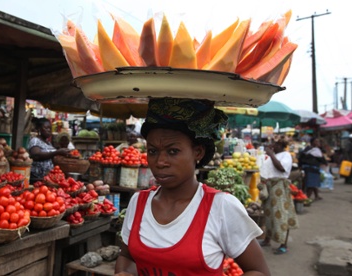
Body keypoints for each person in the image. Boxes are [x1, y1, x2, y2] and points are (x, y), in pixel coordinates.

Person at [115, 98, 270, 276]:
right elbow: (127, 258)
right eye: (152, 151)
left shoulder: (221, 207)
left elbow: (258, 271)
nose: (160, 162)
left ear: (198, 152)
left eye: (173, 151)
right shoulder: (138, 203)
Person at [259, 136, 299, 255]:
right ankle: (267, 239)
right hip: (270, 187)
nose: (272, 146)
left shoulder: (286, 155)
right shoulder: (276, 155)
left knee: (280, 214)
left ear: (281, 146)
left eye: (275, 145)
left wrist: (271, 154)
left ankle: (283, 244)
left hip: (279, 188)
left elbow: (281, 168)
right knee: (268, 213)